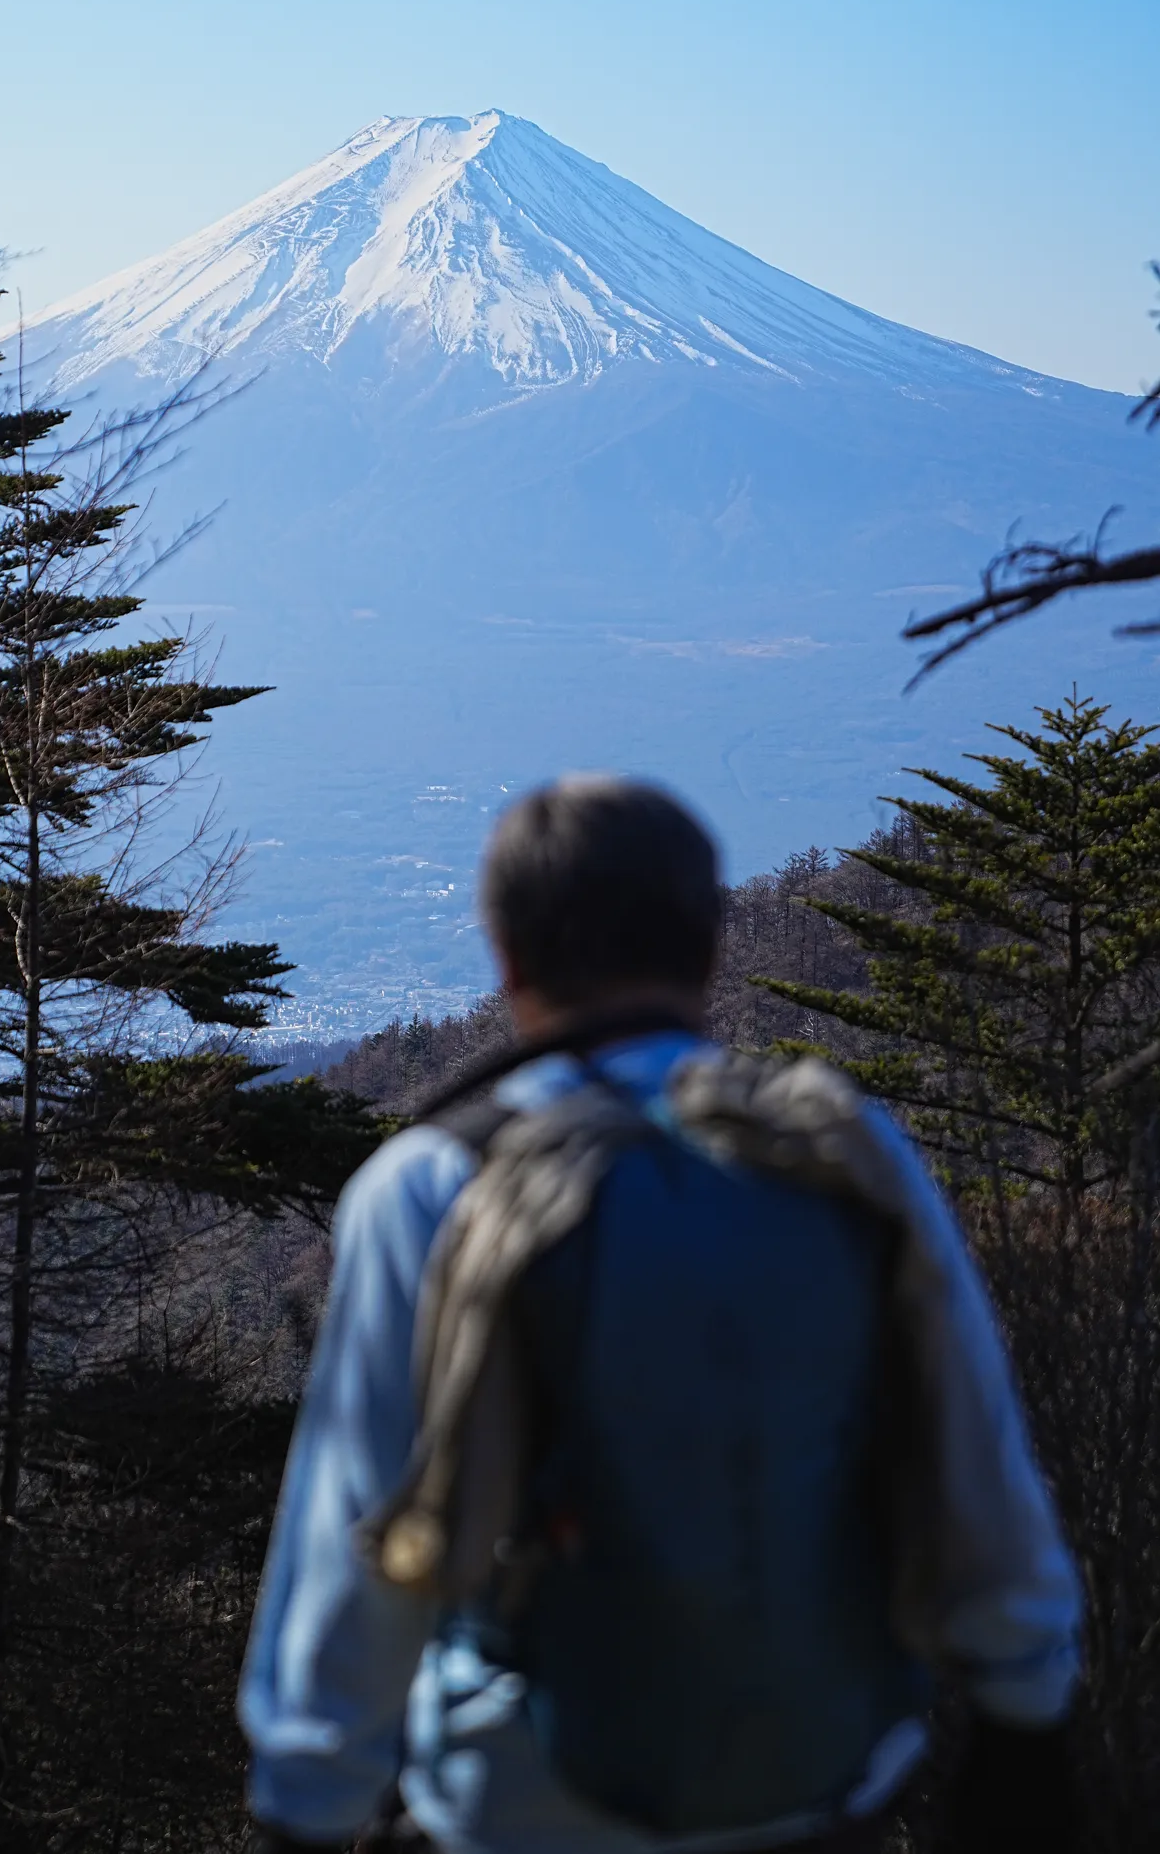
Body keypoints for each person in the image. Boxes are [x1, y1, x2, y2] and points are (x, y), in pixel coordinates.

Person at [239, 776, 1082, 1854]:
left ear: (506, 958)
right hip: (820, 1790)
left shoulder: (436, 1184)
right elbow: (975, 1446)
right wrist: (1026, 1712)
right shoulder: (838, 1153)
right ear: (709, 942)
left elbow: (361, 1528)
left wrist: (307, 1806)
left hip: (524, 1806)